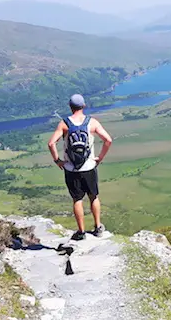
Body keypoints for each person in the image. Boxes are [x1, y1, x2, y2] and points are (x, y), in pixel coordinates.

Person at [47, 94, 113, 241]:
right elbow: (108, 140)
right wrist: (100, 158)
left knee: (77, 199)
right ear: (83, 106)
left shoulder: (64, 124)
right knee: (93, 196)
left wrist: (58, 160)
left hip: (71, 169)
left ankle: (81, 232)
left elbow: (51, 143)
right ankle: (97, 227)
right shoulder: (92, 122)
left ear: (70, 107)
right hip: (89, 166)